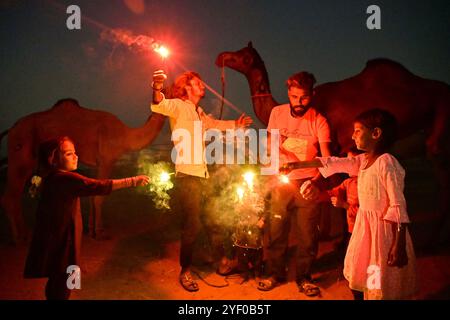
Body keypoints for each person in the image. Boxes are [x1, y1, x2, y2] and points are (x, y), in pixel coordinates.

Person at [151, 69, 252, 292]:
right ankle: (185, 271)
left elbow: (214, 124)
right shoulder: (178, 105)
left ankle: (223, 263)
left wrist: (235, 124)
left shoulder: (198, 112)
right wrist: (157, 88)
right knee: (192, 226)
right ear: (187, 87)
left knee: (212, 220)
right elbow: (159, 104)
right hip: (188, 177)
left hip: (203, 176)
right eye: (198, 83)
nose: (203, 86)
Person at [301, 109, 417, 299]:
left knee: (376, 279)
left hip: (382, 236)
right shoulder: (362, 161)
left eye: (357, 130)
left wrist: (399, 243)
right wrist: (296, 166)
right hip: (365, 232)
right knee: (359, 275)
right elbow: (335, 163)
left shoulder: (386, 163)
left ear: (376, 133)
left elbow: (398, 204)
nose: (352, 135)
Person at [24, 136, 150, 300]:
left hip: (63, 238)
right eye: (69, 154)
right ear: (53, 159)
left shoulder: (51, 177)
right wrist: (132, 181)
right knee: (63, 278)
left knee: (61, 276)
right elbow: (98, 186)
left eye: (75, 153)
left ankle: (66, 294)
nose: (76, 157)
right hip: (63, 241)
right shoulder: (64, 178)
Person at [257, 71, 331, 297]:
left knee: (307, 234)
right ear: (288, 93)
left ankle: (304, 277)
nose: (298, 103)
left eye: (304, 97)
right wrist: (269, 169)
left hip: (307, 182)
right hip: (281, 181)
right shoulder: (278, 113)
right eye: (294, 96)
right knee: (276, 230)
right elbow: (269, 144)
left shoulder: (319, 121)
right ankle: (274, 273)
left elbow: (327, 161)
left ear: (312, 95)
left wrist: (316, 182)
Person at [327, 147, 363, 251]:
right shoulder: (349, 182)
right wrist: (316, 193)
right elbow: (333, 192)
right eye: (346, 161)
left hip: (363, 229)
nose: (347, 165)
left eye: (351, 161)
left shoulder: (365, 184)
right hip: (351, 229)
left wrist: (344, 205)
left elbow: (364, 212)